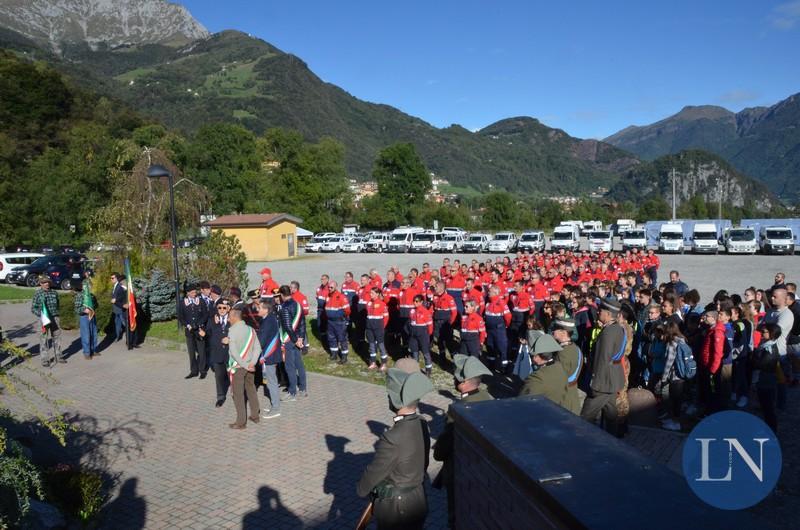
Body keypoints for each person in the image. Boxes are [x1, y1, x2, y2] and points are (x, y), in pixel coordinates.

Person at [357, 368, 433, 529]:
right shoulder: (421, 423)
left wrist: (362, 489)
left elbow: (375, 472)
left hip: (397, 509)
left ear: (396, 400)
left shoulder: (393, 437)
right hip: (418, 499)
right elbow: (423, 463)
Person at [433, 354, 492, 528]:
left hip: (460, 469)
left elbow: (445, 445)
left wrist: (438, 452)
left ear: (464, 382)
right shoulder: (488, 398)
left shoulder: (458, 409)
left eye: (456, 377)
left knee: (455, 515)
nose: (453, 379)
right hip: (482, 468)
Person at [580, 299, 626, 436]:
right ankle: (614, 439)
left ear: (608, 313)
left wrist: (595, 383)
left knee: (585, 417)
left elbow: (602, 359)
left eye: (600, 311)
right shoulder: (617, 328)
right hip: (612, 379)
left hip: (603, 382)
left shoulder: (608, 333)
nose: (598, 312)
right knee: (611, 414)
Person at [225, 304, 261, 429]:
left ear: (235, 317)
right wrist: (252, 363)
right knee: (251, 389)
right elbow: (258, 348)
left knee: (238, 394)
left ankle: (241, 422)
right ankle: (255, 415)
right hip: (250, 366)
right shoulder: (251, 330)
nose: (228, 319)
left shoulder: (232, 331)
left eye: (229, 317)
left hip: (239, 367)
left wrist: (245, 365)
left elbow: (234, 353)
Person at [762, 286, 794, 410]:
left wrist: (765, 328)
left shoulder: (786, 314)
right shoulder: (771, 312)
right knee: (768, 381)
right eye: (772, 296)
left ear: (784, 298)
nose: (772, 298)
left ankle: (779, 406)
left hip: (779, 354)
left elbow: (774, 332)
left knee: (780, 382)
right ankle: (769, 404)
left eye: (775, 296)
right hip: (767, 352)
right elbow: (763, 328)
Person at [519, 334, 568, 410]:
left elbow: (522, 402)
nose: (532, 358)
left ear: (537, 356)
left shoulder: (536, 378)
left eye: (532, 355)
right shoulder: (560, 368)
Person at [658, 321, 689, 431]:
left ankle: (676, 423)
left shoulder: (672, 343)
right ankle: (675, 420)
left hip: (675, 375)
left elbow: (669, 362)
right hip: (682, 374)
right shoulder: (682, 340)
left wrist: (664, 378)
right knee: (678, 399)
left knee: (674, 400)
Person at [278, 285, 307, 401]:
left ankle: (292, 392)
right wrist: (301, 338)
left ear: (281, 295)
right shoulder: (297, 304)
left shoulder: (284, 307)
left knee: (289, 366)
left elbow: (288, 327)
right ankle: (303, 388)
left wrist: (295, 340)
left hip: (289, 339)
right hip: (297, 338)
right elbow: (303, 323)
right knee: (299, 364)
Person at [751, 323, 781, 434]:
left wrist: (753, 359)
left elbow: (761, 365)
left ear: (772, 334)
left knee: (768, 407)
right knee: (765, 406)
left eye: (764, 332)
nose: (762, 333)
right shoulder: (766, 345)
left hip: (766, 380)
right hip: (764, 379)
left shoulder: (769, 349)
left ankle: (772, 430)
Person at [255, 299, 282, 420]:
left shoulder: (268, 321)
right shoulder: (268, 318)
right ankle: (274, 404)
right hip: (270, 354)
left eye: (260, 307)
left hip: (269, 355)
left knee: (271, 381)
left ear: (266, 309)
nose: (257, 309)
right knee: (271, 380)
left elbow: (262, 340)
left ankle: (276, 408)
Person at [551, 317, 583, 415]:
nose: (553, 331)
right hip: (571, 396)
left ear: (563, 332)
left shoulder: (564, 353)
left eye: (555, 329)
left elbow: (559, 379)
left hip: (564, 400)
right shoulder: (574, 348)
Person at [178, 284, 209, 379]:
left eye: (195, 292)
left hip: (199, 330)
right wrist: (188, 325)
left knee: (201, 351)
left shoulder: (201, 301)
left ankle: (202, 371)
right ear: (187, 293)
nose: (194, 294)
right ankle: (193, 371)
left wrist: (199, 324)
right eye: (192, 292)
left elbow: (205, 315)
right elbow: (181, 317)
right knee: (191, 352)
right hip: (189, 331)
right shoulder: (183, 303)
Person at [203, 297, 231, 408]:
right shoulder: (212, 320)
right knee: (218, 376)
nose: (222, 310)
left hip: (230, 354)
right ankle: (220, 397)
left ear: (228, 308)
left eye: (224, 308)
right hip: (217, 353)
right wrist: (203, 334)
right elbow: (207, 333)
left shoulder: (233, 319)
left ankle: (236, 394)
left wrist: (231, 339)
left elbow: (240, 335)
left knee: (231, 375)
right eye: (220, 308)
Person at [31, 276, 62, 366]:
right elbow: (33, 308)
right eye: (44, 282)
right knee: (43, 338)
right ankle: (45, 359)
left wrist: (57, 315)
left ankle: (58, 356)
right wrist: (41, 314)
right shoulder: (38, 294)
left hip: (54, 318)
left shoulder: (54, 293)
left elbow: (58, 305)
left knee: (57, 337)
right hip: (43, 319)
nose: (47, 284)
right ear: (40, 284)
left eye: (48, 282)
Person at [324, 280, 351, 364]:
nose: (329, 288)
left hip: (339, 322)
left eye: (331, 287)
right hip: (330, 322)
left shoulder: (341, 297)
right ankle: (334, 354)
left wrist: (341, 316)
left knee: (342, 339)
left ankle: (344, 356)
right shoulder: (327, 296)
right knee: (331, 338)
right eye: (328, 287)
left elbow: (347, 310)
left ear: (336, 287)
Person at [408, 295, 434, 376]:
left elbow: (430, 326)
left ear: (421, 302)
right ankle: (415, 370)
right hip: (413, 335)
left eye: (417, 301)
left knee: (425, 353)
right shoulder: (412, 311)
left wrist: (427, 335)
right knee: (414, 352)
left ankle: (428, 370)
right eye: (414, 301)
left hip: (423, 335)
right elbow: (410, 322)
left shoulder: (425, 311)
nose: (415, 303)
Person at [365, 287, 389, 371]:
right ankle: (373, 362)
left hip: (378, 328)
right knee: (371, 345)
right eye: (370, 293)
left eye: (372, 293)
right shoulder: (368, 303)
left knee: (381, 345)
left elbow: (386, 317)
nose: (370, 295)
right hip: (369, 328)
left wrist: (382, 327)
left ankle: (383, 363)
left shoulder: (382, 304)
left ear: (377, 294)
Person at [73, 277, 98, 360]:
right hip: (84, 317)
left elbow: (96, 305)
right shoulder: (79, 296)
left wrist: (92, 309)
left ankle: (93, 350)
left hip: (92, 316)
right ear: (83, 286)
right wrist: (84, 310)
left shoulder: (92, 296)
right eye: (86, 285)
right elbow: (76, 309)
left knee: (93, 334)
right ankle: (87, 352)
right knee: (86, 335)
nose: (89, 287)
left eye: (89, 285)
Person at [110, 272, 128, 342]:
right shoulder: (115, 286)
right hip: (116, 309)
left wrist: (115, 300)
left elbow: (122, 295)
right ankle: (117, 337)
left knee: (125, 323)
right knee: (117, 323)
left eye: (112, 278)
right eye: (111, 278)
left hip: (121, 308)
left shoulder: (121, 286)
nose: (111, 279)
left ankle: (128, 338)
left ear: (117, 278)